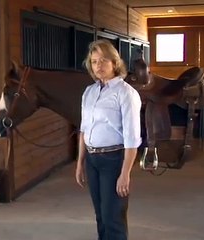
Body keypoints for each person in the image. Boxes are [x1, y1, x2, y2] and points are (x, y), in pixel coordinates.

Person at [75, 39, 142, 240]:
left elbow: (132, 138)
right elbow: (84, 129)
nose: (98, 66)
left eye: (104, 60)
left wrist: (125, 173)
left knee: (113, 217)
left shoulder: (126, 93)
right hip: (92, 160)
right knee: (100, 216)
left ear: (114, 63)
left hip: (114, 159)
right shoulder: (89, 92)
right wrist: (80, 163)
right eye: (94, 61)